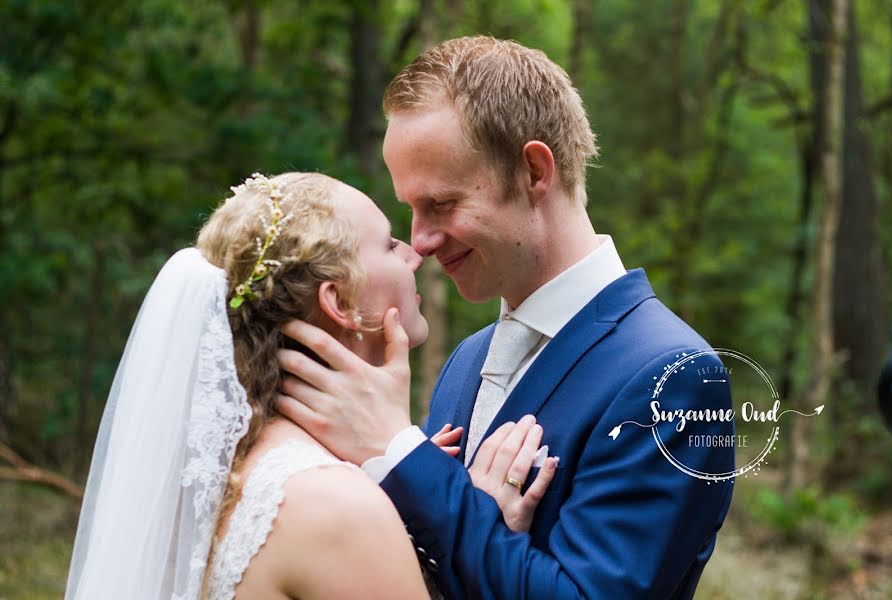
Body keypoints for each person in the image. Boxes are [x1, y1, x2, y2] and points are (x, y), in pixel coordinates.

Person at [276, 36, 736, 599]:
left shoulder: (677, 376)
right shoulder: (469, 360)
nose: (419, 242)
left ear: (534, 172)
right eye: (410, 210)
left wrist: (399, 454)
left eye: (440, 204)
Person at [64, 172, 552, 599]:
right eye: (387, 244)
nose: (414, 253)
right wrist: (481, 529)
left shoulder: (226, 472)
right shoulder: (336, 506)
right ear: (339, 300)